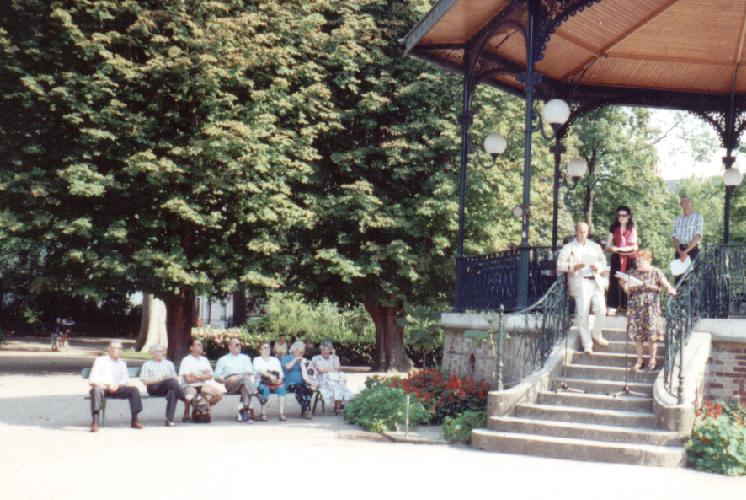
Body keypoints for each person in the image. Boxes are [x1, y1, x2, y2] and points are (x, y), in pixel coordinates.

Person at [556, 222, 610, 353]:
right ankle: (587, 344)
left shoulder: (595, 246)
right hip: (580, 282)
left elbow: (603, 261)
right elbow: (559, 265)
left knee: (601, 309)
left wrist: (598, 266)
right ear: (576, 232)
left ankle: (596, 333)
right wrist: (574, 267)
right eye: (580, 231)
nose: (583, 234)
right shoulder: (568, 247)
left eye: (585, 231)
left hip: (595, 281)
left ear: (588, 232)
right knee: (583, 313)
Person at [621, 249, 676, 372]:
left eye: (641, 261)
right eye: (637, 261)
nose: (638, 264)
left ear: (648, 260)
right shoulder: (633, 273)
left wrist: (670, 288)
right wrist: (624, 284)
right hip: (636, 307)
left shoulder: (655, 272)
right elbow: (628, 291)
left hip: (650, 307)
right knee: (638, 335)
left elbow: (665, 283)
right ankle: (639, 361)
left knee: (652, 336)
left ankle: (652, 360)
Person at [88, 341, 143, 432]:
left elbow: (125, 379)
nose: (118, 351)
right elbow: (93, 378)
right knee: (96, 390)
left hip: (117, 388)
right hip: (102, 387)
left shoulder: (122, 363)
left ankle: (135, 420)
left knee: (134, 390)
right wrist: (106, 385)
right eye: (116, 348)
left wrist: (117, 386)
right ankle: (95, 422)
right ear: (110, 350)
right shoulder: (100, 360)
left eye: (120, 349)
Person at [214, 338, 261, 423]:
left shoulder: (245, 358)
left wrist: (241, 376)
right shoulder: (223, 359)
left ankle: (246, 412)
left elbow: (250, 373)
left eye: (240, 344)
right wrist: (226, 381)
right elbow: (216, 376)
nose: (239, 346)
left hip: (244, 381)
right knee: (245, 379)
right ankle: (258, 395)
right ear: (230, 347)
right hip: (230, 382)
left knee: (245, 385)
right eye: (237, 345)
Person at [605, 205, 638, 316]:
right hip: (617, 257)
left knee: (629, 281)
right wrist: (611, 248)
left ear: (628, 216)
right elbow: (608, 245)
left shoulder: (632, 228)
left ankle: (628, 306)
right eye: (619, 215)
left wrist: (618, 248)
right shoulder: (613, 227)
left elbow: (633, 247)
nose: (621, 217)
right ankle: (612, 306)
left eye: (624, 215)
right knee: (614, 281)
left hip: (629, 258)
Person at [179, 338, 222, 422]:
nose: (201, 346)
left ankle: (204, 407)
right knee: (190, 395)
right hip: (189, 386)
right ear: (191, 348)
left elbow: (210, 376)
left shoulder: (204, 360)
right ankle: (186, 412)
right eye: (198, 345)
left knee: (218, 395)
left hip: (202, 385)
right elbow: (188, 379)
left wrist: (197, 376)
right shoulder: (186, 360)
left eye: (201, 344)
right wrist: (203, 375)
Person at [140, 344, 183, 427]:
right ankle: (185, 396)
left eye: (162, 351)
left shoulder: (169, 364)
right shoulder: (147, 364)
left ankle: (169, 420)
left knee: (172, 391)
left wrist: (168, 378)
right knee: (170, 382)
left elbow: (175, 379)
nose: (161, 353)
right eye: (159, 351)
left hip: (168, 387)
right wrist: (160, 380)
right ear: (152, 354)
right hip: (154, 387)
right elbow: (145, 382)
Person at [312, 340, 351, 415]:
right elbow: (321, 370)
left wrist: (333, 355)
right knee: (336, 385)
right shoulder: (316, 358)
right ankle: (338, 407)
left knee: (339, 385)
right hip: (322, 381)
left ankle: (337, 407)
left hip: (334, 380)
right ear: (321, 350)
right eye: (324, 350)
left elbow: (337, 368)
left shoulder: (335, 358)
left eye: (328, 350)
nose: (326, 352)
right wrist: (333, 370)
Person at [282, 341, 317, 419]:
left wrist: (311, 366)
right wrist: (295, 360)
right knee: (300, 388)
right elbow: (287, 367)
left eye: (303, 352)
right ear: (294, 350)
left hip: (302, 383)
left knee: (309, 389)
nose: (301, 354)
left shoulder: (303, 360)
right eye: (300, 352)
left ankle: (305, 410)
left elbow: (309, 373)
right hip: (290, 383)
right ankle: (306, 410)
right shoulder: (286, 358)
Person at [253, 342, 287, 422]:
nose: (267, 349)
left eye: (268, 347)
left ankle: (281, 413)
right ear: (260, 350)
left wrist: (280, 380)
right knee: (265, 389)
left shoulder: (275, 360)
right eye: (264, 348)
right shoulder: (257, 360)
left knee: (282, 388)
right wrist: (270, 375)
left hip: (275, 382)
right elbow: (260, 370)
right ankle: (263, 413)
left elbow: (281, 373)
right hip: (262, 382)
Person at [672, 196, 704, 265]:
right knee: (679, 275)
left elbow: (698, 236)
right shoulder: (677, 219)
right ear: (681, 205)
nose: (686, 203)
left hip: (692, 250)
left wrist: (685, 252)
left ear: (692, 204)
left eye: (688, 201)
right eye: (683, 202)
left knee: (692, 275)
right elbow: (675, 238)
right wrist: (680, 252)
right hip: (679, 251)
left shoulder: (698, 217)